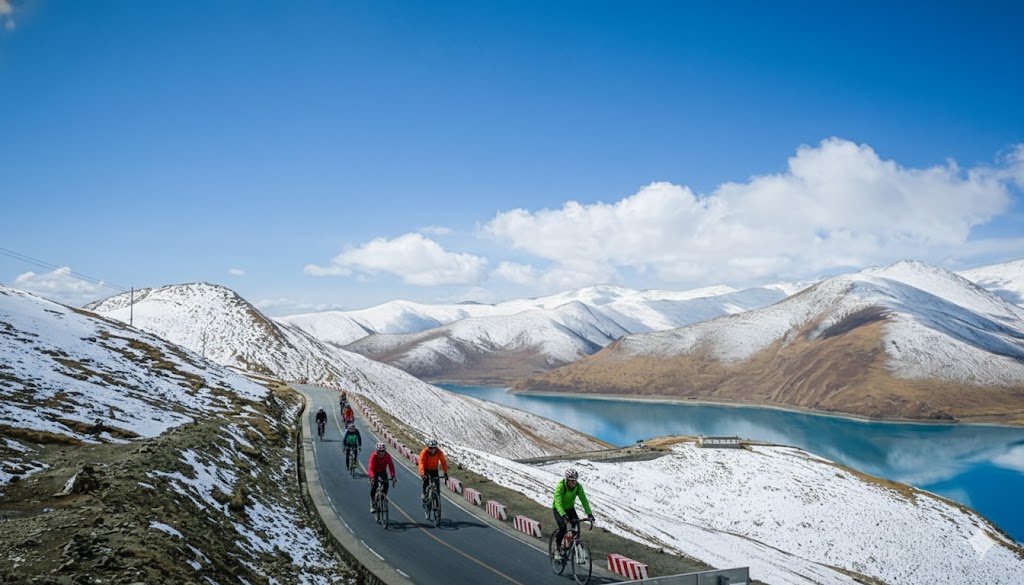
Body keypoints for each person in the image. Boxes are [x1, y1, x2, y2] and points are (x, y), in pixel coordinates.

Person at [552, 468, 594, 553]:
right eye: (571, 481)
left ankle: (568, 543)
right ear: (566, 480)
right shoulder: (561, 486)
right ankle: (557, 548)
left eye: (574, 481)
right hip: (558, 509)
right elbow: (557, 502)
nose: (573, 483)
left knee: (576, 525)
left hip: (570, 508)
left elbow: (584, 500)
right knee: (563, 528)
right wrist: (563, 515)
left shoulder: (578, 487)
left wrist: (589, 514)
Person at [367, 442, 396, 512]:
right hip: (374, 472)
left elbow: (391, 466)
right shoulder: (373, 456)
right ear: (377, 451)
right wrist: (373, 477)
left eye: (383, 451)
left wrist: (393, 476)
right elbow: (370, 468)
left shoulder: (387, 456)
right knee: (374, 486)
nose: (382, 453)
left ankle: (383, 498)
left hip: (382, 471)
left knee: (386, 484)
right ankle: (372, 502)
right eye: (380, 451)